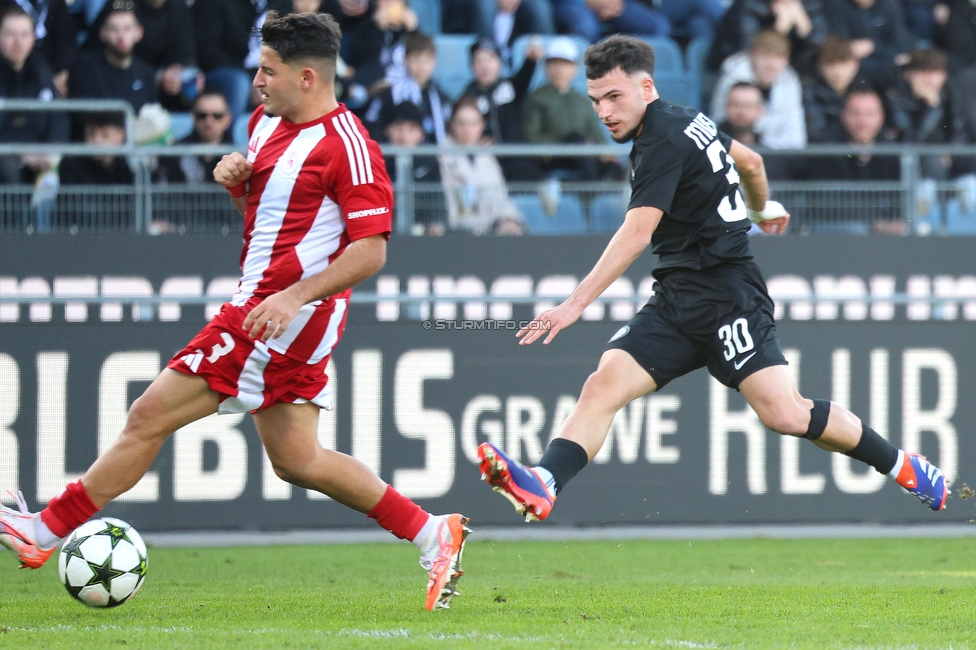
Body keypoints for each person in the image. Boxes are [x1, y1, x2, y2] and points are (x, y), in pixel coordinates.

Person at [0, 12, 470, 612]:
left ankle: (43, 532)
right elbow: (276, 219)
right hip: (266, 307)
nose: (256, 81)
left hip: (279, 318)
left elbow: (371, 250)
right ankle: (433, 532)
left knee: (148, 414)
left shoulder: (349, 147)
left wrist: (293, 296)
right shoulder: (265, 124)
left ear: (306, 77)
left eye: (267, 71)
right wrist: (236, 186)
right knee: (298, 460)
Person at [475, 35, 948, 525]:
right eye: (595, 100)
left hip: (727, 295)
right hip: (677, 297)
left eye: (614, 97)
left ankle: (902, 464)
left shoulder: (661, 139)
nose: (605, 112)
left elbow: (636, 235)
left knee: (786, 414)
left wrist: (573, 305)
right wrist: (762, 207)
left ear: (646, 87)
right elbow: (752, 162)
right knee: (602, 385)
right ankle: (545, 482)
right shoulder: (688, 119)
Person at [523, 37, 623, 180]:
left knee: (614, 168)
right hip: (551, 157)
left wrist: (605, 152)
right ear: (545, 67)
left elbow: (594, 129)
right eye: (553, 63)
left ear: (575, 69)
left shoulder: (581, 100)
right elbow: (531, 136)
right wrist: (565, 142)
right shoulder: (537, 98)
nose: (559, 69)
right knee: (577, 139)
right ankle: (592, 190)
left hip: (583, 156)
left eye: (565, 64)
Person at [439, 96, 526, 235]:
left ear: (482, 125)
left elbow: (502, 198)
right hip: (462, 235)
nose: (468, 129)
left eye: (473, 123)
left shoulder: (486, 157)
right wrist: (493, 226)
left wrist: (512, 220)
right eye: (461, 123)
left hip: (497, 230)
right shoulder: (442, 158)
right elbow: (454, 212)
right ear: (451, 124)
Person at [0, 6, 67, 185]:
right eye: (10, 35)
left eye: (24, 35)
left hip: (39, 155)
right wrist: (19, 153)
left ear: (33, 38)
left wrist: (50, 150)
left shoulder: (42, 72)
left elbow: (58, 118)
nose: (18, 42)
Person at [462, 37, 542, 181]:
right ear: (471, 66)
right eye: (479, 61)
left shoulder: (511, 87)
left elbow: (524, 78)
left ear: (499, 63)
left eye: (490, 59)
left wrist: (531, 60)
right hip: (486, 160)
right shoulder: (468, 97)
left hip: (517, 158)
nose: (485, 66)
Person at [711, 30, 806, 149]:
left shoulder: (789, 80)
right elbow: (720, 121)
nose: (772, 65)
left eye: (779, 58)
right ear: (752, 56)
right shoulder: (733, 74)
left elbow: (796, 137)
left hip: (775, 155)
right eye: (766, 57)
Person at [68, 0, 158, 116]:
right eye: (114, 29)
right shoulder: (84, 69)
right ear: (102, 33)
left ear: (139, 33)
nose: (121, 36)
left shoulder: (146, 74)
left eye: (127, 29)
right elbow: (82, 118)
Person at [362, 31, 452, 144]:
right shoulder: (389, 94)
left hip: (429, 158)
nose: (422, 66)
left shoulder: (440, 98)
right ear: (405, 60)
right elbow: (372, 126)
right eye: (416, 60)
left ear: (434, 61)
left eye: (427, 60)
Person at [382, 101, 445, 233]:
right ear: (387, 130)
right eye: (398, 128)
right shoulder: (375, 163)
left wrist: (435, 223)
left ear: (421, 134)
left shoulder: (430, 162)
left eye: (411, 129)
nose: (403, 136)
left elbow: (438, 202)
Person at [822, 0, 915, 88]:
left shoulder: (889, 5)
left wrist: (874, 47)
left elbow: (901, 44)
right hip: (854, 66)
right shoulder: (835, 4)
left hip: (886, 62)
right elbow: (838, 44)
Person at [155, 89, 234, 185]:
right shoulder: (173, 154)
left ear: (227, 119)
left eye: (217, 116)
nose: (209, 121)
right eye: (202, 115)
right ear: (193, 117)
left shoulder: (237, 156)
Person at [803, 35, 864, 143]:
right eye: (830, 64)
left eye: (844, 63)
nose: (838, 72)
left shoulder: (866, 94)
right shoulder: (808, 94)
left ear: (856, 65)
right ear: (820, 66)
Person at [718, 81, 763, 145]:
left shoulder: (770, 149)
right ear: (726, 107)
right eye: (736, 105)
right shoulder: (710, 144)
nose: (742, 112)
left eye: (748, 106)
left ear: (759, 110)